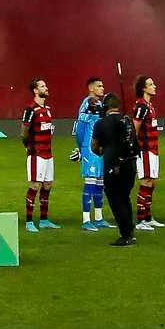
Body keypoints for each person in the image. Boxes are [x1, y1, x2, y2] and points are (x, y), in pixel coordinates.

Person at [91, 94, 138, 246]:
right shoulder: (127, 120)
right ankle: (130, 231)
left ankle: (125, 235)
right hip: (130, 164)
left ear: (105, 106)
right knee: (125, 197)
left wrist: (102, 151)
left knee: (115, 199)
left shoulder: (101, 123)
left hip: (114, 165)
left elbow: (94, 146)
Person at [74, 77, 109, 231]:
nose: (102, 88)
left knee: (100, 181)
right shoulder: (88, 103)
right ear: (91, 89)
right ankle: (86, 219)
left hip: (100, 148)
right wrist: (82, 148)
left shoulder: (100, 104)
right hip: (90, 148)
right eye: (99, 86)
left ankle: (99, 217)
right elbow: (80, 129)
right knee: (91, 181)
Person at [21, 78, 57, 231]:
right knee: (35, 185)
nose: (46, 88)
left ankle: (44, 220)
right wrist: (28, 146)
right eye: (42, 86)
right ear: (35, 91)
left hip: (48, 153)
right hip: (37, 153)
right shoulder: (30, 110)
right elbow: (24, 132)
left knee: (47, 185)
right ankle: (29, 221)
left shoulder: (47, 109)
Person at [132, 76, 163, 230]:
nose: (154, 86)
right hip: (144, 150)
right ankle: (140, 219)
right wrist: (134, 147)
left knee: (152, 182)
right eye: (151, 84)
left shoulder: (149, 106)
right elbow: (135, 128)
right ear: (143, 88)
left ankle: (148, 216)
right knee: (146, 181)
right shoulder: (141, 106)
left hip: (153, 149)